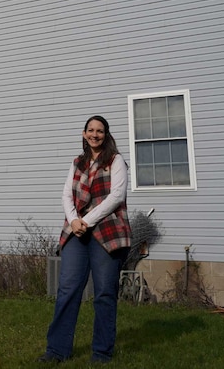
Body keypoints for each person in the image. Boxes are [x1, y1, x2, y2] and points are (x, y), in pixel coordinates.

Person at [39, 115, 131, 364]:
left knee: (104, 293)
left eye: (100, 131)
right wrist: (73, 221)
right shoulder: (77, 162)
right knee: (68, 289)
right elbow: (66, 196)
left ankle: (101, 353)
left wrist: (87, 221)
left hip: (106, 232)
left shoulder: (116, 161)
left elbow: (116, 197)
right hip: (76, 232)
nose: (95, 134)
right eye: (90, 130)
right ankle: (57, 350)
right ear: (83, 134)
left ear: (106, 134)